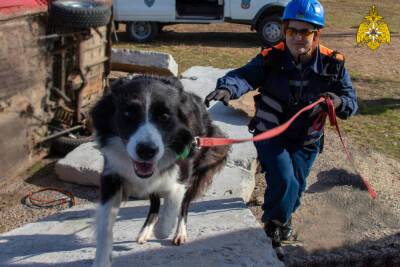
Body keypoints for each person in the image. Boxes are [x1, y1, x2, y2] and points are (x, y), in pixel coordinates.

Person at [204, 0, 358, 259]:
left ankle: (282, 222)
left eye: (305, 32)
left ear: (316, 34)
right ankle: (273, 230)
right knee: (284, 179)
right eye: (291, 31)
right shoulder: (270, 56)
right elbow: (243, 76)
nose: (297, 37)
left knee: (295, 188)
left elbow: (351, 101)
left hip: (307, 139)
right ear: (284, 30)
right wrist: (227, 88)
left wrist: (338, 101)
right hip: (271, 133)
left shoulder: (334, 64)